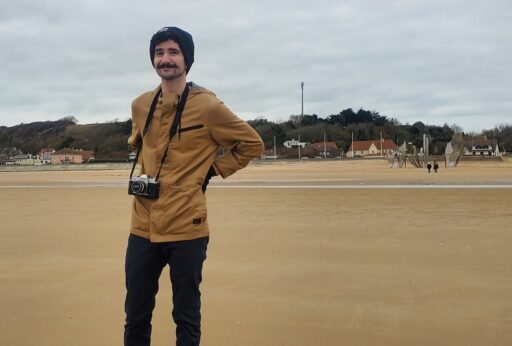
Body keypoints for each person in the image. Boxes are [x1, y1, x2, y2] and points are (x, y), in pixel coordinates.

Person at [124, 26, 264, 346]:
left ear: (187, 59)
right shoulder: (141, 104)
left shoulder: (208, 106)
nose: (165, 59)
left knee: (185, 314)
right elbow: (138, 144)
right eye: (159, 53)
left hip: (188, 226)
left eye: (173, 52)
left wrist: (213, 169)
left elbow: (251, 144)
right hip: (142, 226)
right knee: (136, 313)